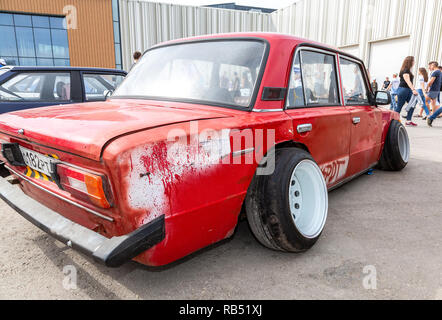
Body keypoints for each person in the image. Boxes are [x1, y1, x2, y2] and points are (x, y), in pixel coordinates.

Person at [395, 56, 418, 126]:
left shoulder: (408, 70)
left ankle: (408, 120)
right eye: (413, 61)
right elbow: (407, 81)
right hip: (403, 89)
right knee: (399, 106)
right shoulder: (405, 70)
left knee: (413, 103)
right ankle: (394, 121)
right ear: (410, 62)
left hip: (407, 90)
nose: (414, 62)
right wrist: (413, 89)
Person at [426, 62, 442, 127]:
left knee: (430, 102)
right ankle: (431, 117)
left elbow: (432, 82)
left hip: (434, 90)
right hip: (435, 90)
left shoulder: (437, 72)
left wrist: (427, 88)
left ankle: (430, 116)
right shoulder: (438, 72)